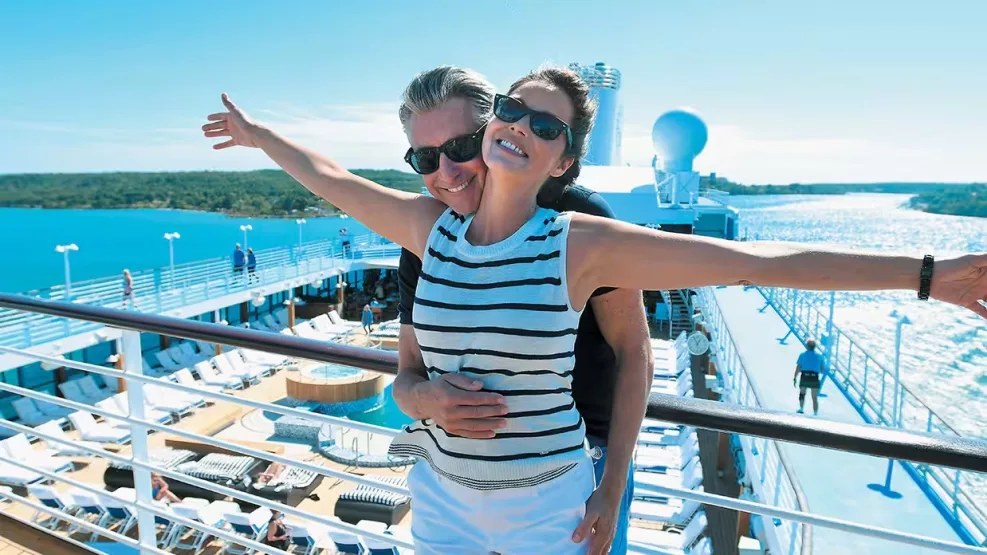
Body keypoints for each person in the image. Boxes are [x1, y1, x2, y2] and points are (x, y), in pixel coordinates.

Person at [203, 66, 987, 553]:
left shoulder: (582, 242)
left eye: (545, 127)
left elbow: (761, 262)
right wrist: (258, 134)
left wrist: (926, 275)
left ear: (563, 158)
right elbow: (331, 178)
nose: (519, 128)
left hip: (548, 500)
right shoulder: (426, 229)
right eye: (515, 110)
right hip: (441, 494)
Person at [390, 67, 649, 555]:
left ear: (495, 131)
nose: (446, 172)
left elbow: (634, 351)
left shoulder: (578, 220)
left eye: (461, 148)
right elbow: (407, 377)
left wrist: (613, 483)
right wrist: (427, 401)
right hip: (459, 483)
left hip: (578, 468)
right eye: (425, 157)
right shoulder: (426, 238)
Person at [794, 338, 824, 415]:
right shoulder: (820, 356)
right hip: (814, 377)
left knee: (802, 393)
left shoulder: (802, 355)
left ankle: (801, 408)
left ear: (807, 346)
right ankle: (815, 412)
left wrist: (795, 377)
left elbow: (798, 367)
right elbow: (822, 369)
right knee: (814, 397)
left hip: (805, 376)